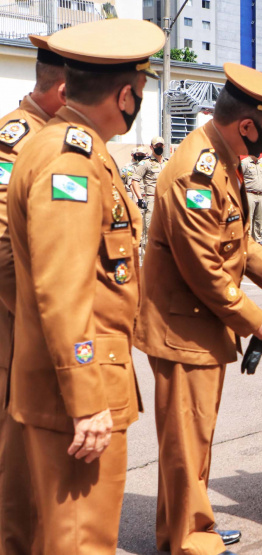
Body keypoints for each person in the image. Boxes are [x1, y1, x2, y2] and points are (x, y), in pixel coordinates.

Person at [135, 62, 262, 555]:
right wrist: (257, 318)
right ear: (247, 125)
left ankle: (189, 525)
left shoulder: (221, 157)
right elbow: (205, 269)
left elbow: (235, 239)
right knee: (186, 440)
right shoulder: (195, 174)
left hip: (196, 326)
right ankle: (190, 540)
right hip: (182, 328)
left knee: (195, 436)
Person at [6, 19, 164, 553]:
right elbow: (63, 289)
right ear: (125, 95)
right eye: (139, 94)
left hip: (74, 384)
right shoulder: (67, 161)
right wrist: (86, 399)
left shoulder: (73, 147)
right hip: (77, 393)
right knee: (79, 542)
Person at [0, 33, 66, 555]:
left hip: (38, 321)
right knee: (14, 450)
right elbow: (2, 250)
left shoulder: (54, 136)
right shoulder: (19, 137)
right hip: (19, 325)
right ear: (65, 87)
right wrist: (39, 317)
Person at [131, 135, 167, 250]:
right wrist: (140, 198)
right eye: (157, 146)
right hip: (151, 200)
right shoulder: (146, 163)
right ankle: (147, 261)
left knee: (166, 231)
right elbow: (134, 180)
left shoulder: (168, 163)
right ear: (151, 147)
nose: (159, 148)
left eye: (161, 146)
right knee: (149, 230)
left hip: (166, 200)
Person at [240, 153, 262, 244]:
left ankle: (257, 241)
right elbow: (239, 179)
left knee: (258, 220)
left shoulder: (260, 163)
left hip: (260, 194)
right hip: (249, 193)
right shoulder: (245, 163)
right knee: (249, 220)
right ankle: (247, 241)